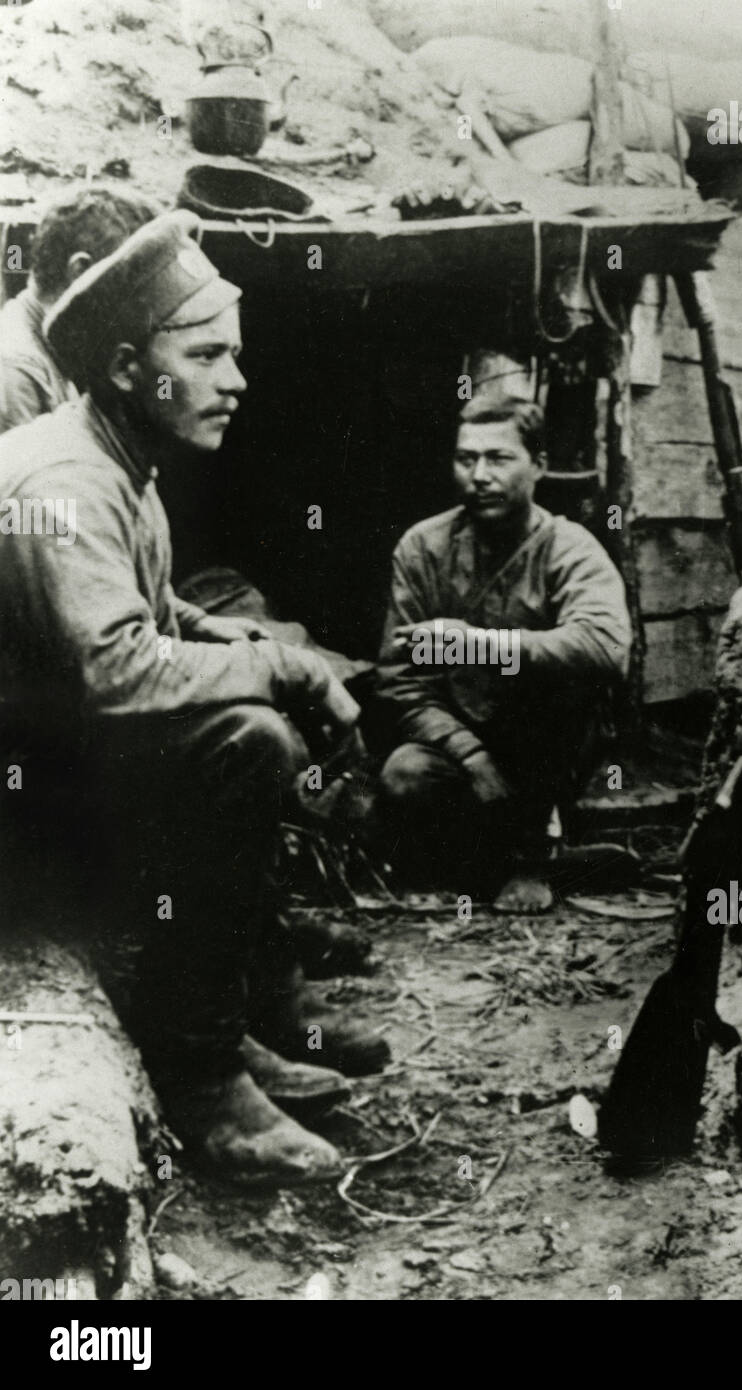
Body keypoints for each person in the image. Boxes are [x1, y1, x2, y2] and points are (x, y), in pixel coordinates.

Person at [0, 210, 387, 1186]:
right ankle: (200, 1075)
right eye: (207, 354)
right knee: (244, 742)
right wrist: (281, 669)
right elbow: (118, 668)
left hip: (46, 762)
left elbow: (158, 609)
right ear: (129, 365)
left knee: (250, 698)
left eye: (236, 354)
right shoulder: (69, 481)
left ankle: (232, 1019)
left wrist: (254, 642)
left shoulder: (119, 455)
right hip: (20, 812)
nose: (236, 380)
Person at [370, 396, 632, 912]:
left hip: (542, 743)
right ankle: (514, 864)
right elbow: (399, 680)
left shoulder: (570, 548)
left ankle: (531, 854)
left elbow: (606, 648)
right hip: (457, 742)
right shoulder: (423, 547)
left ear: (538, 465)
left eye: (499, 458)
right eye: (467, 459)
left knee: (565, 686)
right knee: (403, 776)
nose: (479, 475)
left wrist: (482, 645)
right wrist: (471, 755)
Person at [0, 185, 159, 433]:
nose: (141, 301)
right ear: (81, 271)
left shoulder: (49, 342)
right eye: (131, 283)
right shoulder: (16, 371)